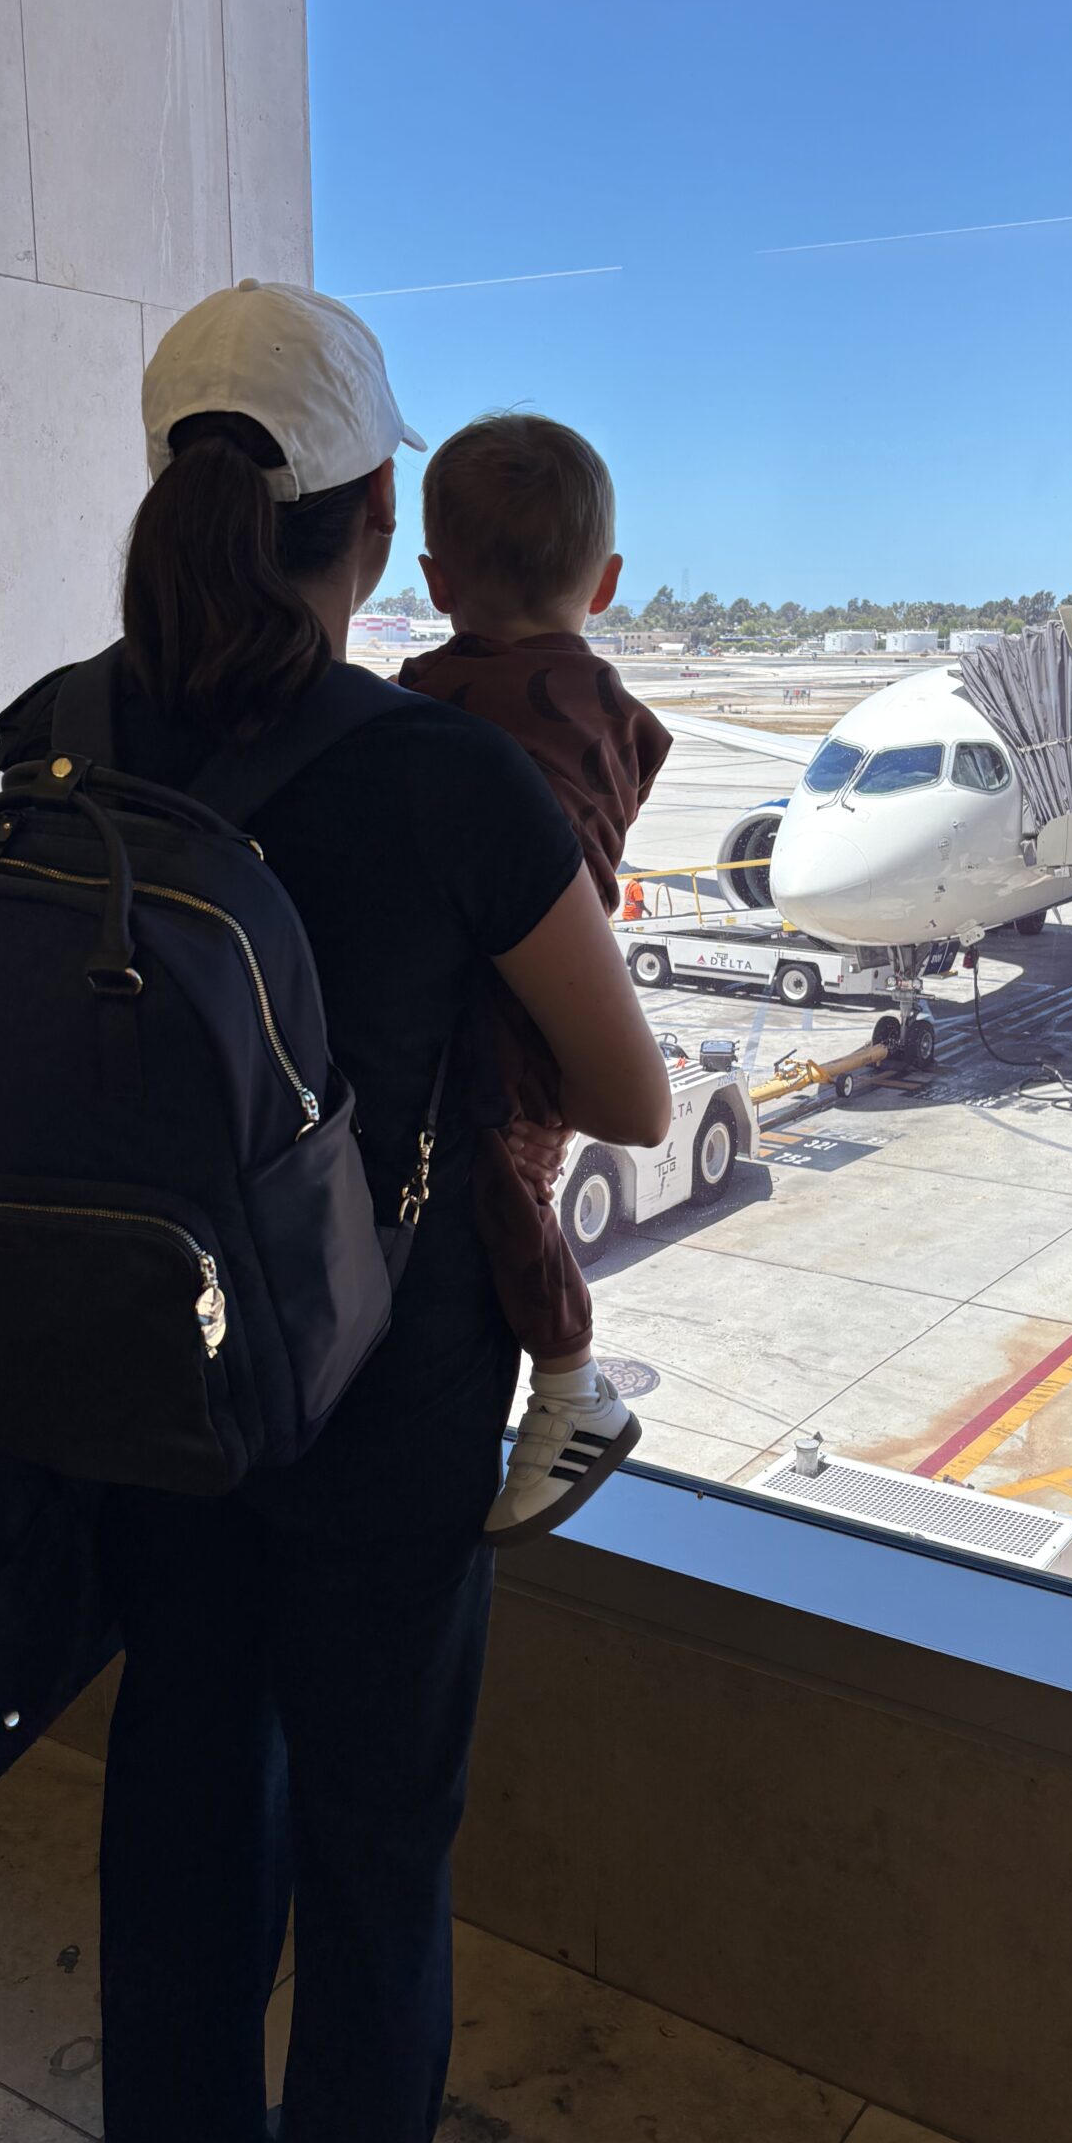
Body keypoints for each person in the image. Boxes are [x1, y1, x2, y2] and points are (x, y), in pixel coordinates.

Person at [0, 280, 671, 2143]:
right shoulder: (445, 782)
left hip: (148, 1380)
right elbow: (632, 1088)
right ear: (374, 531)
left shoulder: (51, 729)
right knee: (376, 1853)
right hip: (378, 1400)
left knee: (185, 1789)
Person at [399, 415, 672, 1543]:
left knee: (496, 1179)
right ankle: (563, 1382)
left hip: (488, 1004)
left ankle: (572, 1384)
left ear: (432, 579)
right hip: (535, 985)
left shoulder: (415, 710)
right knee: (513, 1173)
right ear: (605, 583)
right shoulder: (605, 711)